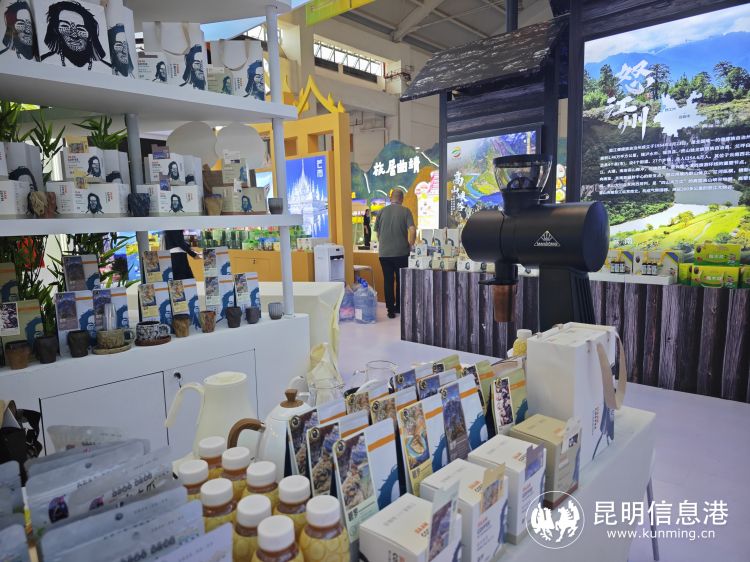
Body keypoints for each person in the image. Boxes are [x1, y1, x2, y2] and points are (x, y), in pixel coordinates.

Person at [374, 189, 415, 319]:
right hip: (401, 253)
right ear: (402, 199)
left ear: (390, 198)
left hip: (384, 254)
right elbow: (412, 230)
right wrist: (411, 245)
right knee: (401, 280)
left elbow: (377, 233)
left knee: (388, 281)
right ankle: (399, 307)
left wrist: (384, 243)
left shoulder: (381, 211)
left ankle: (390, 310)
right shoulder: (406, 211)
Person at [41, 0, 108, 70]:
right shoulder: (46, 61)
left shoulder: (104, 68)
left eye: (80, 29)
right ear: (56, 31)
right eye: (65, 26)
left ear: (91, 35)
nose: (74, 35)